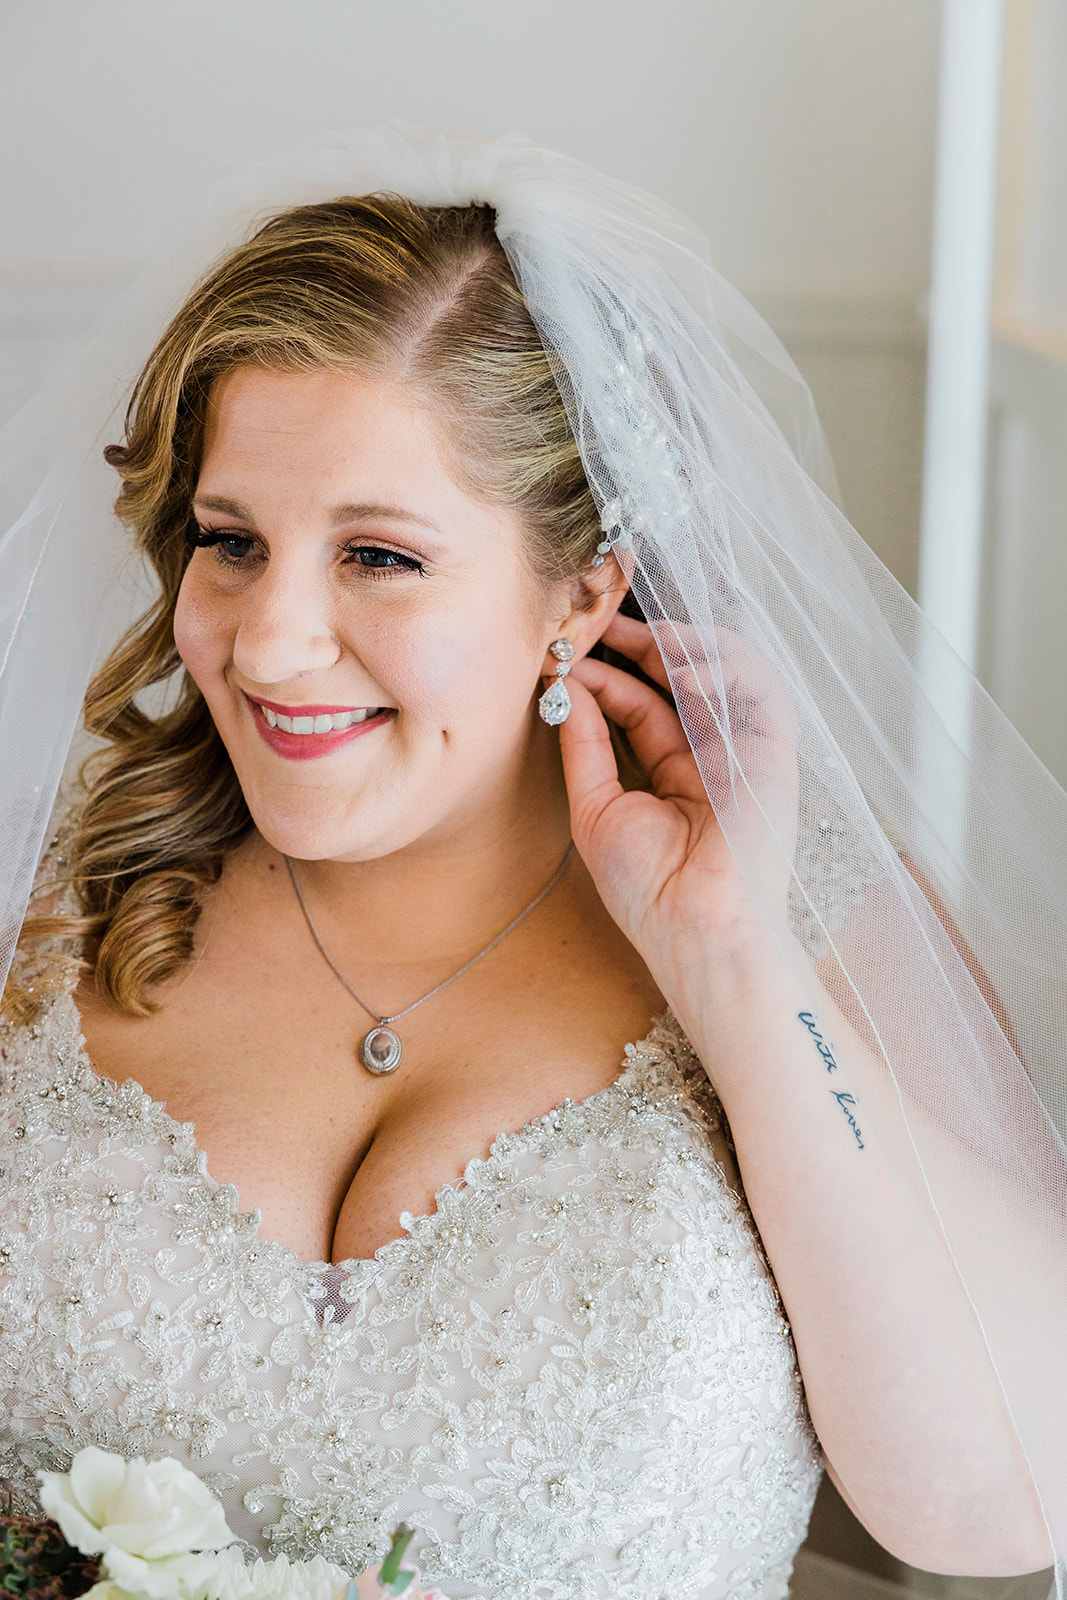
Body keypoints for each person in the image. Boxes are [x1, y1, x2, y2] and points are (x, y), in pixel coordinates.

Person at [0, 126, 1064, 1600]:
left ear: (582, 595)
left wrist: (733, 963)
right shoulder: (40, 899)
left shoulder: (815, 925)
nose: (265, 639)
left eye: (378, 556)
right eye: (228, 539)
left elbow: (998, 1511)